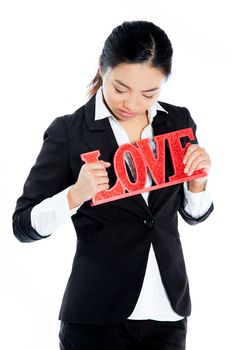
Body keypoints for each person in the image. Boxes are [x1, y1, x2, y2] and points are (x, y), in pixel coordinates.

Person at [12, 20, 214, 350]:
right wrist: (75, 194)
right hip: (96, 316)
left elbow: (194, 215)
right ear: (102, 68)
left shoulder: (178, 122)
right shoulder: (69, 132)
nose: (132, 103)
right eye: (121, 88)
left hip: (167, 313)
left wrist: (198, 184)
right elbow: (23, 225)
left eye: (149, 93)